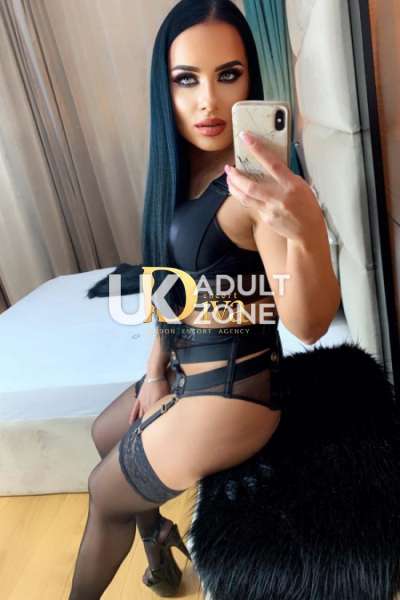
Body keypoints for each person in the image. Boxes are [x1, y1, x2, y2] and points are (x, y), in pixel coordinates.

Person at [69, 1, 340, 598]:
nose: (208, 102)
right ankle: (160, 547)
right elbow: (169, 287)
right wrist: (154, 374)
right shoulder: (180, 172)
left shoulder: (255, 191)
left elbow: (310, 323)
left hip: (236, 398)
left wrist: (306, 229)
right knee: (103, 433)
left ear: (250, 81)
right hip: (191, 372)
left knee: (103, 493)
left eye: (228, 75)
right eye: (186, 79)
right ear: (163, 89)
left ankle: (149, 547)